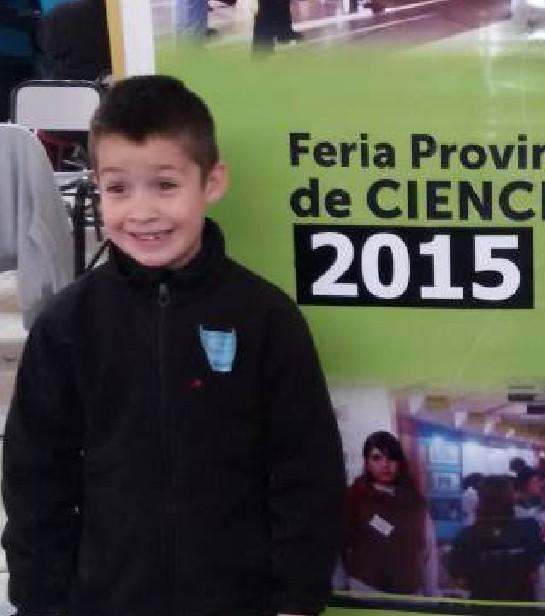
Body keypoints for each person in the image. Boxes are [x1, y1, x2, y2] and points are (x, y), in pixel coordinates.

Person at [1, 75, 346, 616]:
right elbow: (35, 478)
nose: (142, 212)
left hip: (241, 601)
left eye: (165, 185)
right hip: (105, 602)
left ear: (212, 182)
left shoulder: (266, 319)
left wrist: (297, 599)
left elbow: (307, 471)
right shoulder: (67, 326)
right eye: (118, 189)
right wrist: (39, 599)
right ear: (96, 187)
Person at [341, 431, 436, 595]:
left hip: (410, 593)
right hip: (367, 592)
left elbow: (428, 550)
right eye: (377, 458)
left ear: (399, 462)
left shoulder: (414, 500)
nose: (385, 464)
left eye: (391, 458)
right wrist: (340, 589)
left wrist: (432, 593)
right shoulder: (354, 498)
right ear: (367, 463)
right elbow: (340, 548)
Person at [448, 475, 545, 600]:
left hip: (482, 604)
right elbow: (534, 574)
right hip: (521, 604)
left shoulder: (466, 536)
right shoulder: (530, 529)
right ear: (511, 499)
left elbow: (459, 580)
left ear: (480, 500)